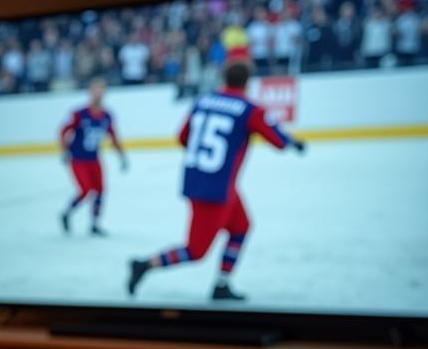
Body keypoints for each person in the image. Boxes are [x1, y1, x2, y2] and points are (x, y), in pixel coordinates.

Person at [128, 59, 305, 302]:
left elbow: (182, 138)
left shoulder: (203, 100)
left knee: (241, 227)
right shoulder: (250, 109)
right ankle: (144, 265)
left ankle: (222, 284)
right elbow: (279, 140)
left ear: (224, 78)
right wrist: (295, 143)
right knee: (196, 250)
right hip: (216, 189)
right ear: (247, 82)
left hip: (203, 181)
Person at [60, 77, 128, 237]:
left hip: (94, 158)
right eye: (96, 89)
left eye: (102, 89)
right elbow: (64, 131)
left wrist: (121, 156)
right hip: (78, 158)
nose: (99, 93)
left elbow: (113, 136)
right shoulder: (79, 114)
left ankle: (95, 224)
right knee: (86, 190)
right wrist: (64, 150)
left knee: (100, 191)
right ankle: (67, 212)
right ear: (90, 92)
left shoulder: (107, 115)